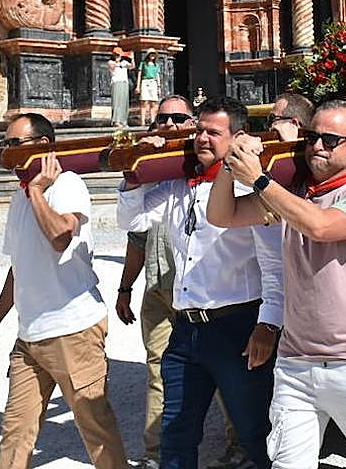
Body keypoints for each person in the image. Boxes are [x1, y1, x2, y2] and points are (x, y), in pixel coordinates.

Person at [206, 100, 346, 469]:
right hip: (296, 362)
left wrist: (260, 180)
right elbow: (222, 215)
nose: (318, 146)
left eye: (331, 140)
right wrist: (230, 163)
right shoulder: (295, 194)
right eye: (312, 137)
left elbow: (319, 226)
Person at [116, 96, 283, 469]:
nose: (202, 138)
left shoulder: (250, 188)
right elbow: (133, 220)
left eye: (213, 132)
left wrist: (268, 325)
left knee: (254, 431)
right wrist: (134, 170)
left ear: (237, 137)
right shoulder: (180, 184)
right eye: (200, 130)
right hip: (186, 327)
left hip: (236, 326)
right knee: (176, 431)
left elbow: (274, 264)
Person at [0, 113, 127, 469]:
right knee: (16, 433)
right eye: (6, 143)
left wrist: (37, 191)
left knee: (96, 431)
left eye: (15, 143)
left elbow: (61, 237)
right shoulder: (20, 195)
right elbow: (19, 266)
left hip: (73, 331)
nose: (7, 151)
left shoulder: (67, 184)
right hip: (30, 336)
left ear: (42, 146)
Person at [114, 96, 198, 469]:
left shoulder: (203, 162)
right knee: (157, 370)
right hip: (158, 287)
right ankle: (156, 451)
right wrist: (124, 288)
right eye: (162, 118)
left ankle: (237, 447)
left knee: (220, 370)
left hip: (198, 291)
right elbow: (135, 238)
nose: (169, 124)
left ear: (193, 123)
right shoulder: (148, 171)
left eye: (179, 118)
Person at [110, 49, 133, 126]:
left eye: (118, 54)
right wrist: (117, 63)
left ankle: (123, 120)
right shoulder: (111, 62)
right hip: (116, 82)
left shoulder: (124, 62)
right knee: (117, 102)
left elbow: (132, 66)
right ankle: (116, 120)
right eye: (116, 54)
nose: (117, 56)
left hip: (124, 82)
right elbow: (112, 67)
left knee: (124, 102)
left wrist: (132, 58)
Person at [139, 51, 161, 126]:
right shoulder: (143, 64)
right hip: (145, 81)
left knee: (153, 102)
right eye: (151, 54)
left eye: (154, 54)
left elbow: (157, 75)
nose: (152, 56)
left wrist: (159, 86)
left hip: (153, 82)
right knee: (144, 101)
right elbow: (140, 74)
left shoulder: (156, 65)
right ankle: (142, 121)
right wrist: (138, 85)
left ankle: (152, 120)